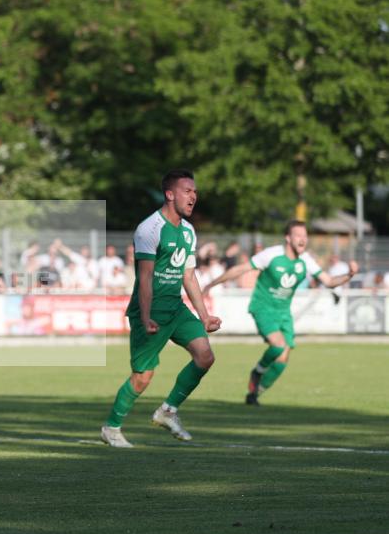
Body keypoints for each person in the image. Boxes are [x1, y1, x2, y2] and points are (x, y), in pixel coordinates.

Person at [100, 169, 221, 448]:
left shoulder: (189, 231)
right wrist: (144, 316)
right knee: (143, 378)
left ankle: (168, 411)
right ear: (170, 194)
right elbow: (144, 277)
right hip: (151, 310)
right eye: (187, 191)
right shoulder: (149, 229)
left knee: (205, 357)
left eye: (195, 191)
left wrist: (205, 316)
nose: (193, 196)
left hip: (176, 309)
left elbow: (188, 276)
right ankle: (111, 427)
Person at [203, 221, 357, 405]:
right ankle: (257, 372)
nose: (303, 239)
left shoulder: (305, 260)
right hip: (263, 307)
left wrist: (349, 275)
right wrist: (211, 284)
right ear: (288, 238)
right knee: (278, 346)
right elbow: (239, 269)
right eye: (298, 235)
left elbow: (329, 281)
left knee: (283, 359)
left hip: (284, 312)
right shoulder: (271, 255)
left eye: (305, 236)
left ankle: (255, 393)